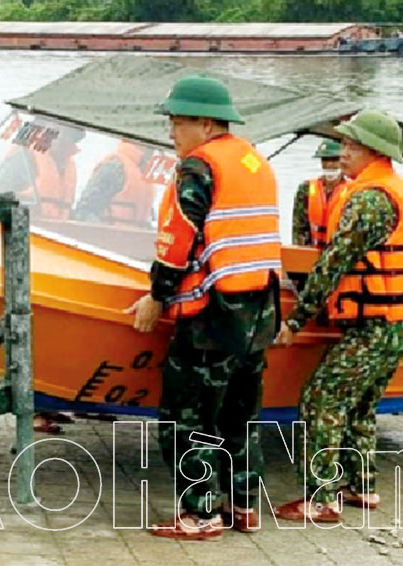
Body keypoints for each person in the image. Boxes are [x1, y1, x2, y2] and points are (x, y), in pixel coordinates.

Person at [125, 76, 281, 540]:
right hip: (260, 309)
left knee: (188, 416)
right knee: (240, 413)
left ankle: (199, 515)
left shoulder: (198, 167)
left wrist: (157, 295)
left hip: (214, 315)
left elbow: (178, 240)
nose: (171, 131)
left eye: (178, 122)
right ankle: (243, 506)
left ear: (207, 124)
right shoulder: (255, 162)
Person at [273, 109, 403, 522]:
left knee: (320, 400)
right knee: (360, 405)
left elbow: (332, 265)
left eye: (349, 145)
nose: (341, 152)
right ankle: (363, 488)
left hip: (377, 326)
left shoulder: (369, 199)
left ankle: (320, 500)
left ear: (372, 151)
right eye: (343, 144)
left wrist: (295, 319)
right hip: (402, 323)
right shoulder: (393, 188)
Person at [0, 120, 83, 220]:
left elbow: (67, 208)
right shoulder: (22, 159)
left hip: (56, 231)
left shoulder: (66, 164)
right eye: (55, 131)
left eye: (68, 134)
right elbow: (0, 204)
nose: (61, 137)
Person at [72, 140, 155, 226]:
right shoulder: (115, 166)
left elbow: (150, 218)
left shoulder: (145, 171)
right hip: (108, 237)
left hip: (135, 237)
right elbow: (84, 210)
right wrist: (104, 235)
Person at [291, 139, 345, 247]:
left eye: (334, 160)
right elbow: (299, 229)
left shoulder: (353, 190)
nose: (329, 165)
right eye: (325, 160)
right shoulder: (305, 189)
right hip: (312, 252)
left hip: (339, 254)